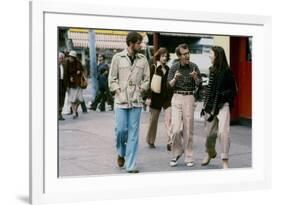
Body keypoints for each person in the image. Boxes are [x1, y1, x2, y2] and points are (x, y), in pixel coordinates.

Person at [108, 32, 150, 173]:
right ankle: (121, 152)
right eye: (139, 43)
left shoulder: (143, 59)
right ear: (131, 43)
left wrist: (141, 90)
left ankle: (131, 165)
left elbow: (147, 79)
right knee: (121, 131)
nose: (141, 45)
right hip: (121, 101)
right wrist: (118, 91)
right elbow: (112, 79)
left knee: (133, 134)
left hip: (136, 101)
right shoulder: (117, 58)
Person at [200, 46, 237, 169]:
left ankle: (225, 159)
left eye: (211, 53)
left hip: (223, 105)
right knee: (210, 134)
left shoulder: (227, 71)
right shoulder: (211, 70)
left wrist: (223, 96)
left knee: (223, 132)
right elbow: (210, 89)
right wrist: (205, 105)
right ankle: (210, 153)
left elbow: (233, 90)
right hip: (211, 106)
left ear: (217, 56)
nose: (209, 55)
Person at [167, 43, 202, 167]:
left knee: (188, 129)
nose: (187, 56)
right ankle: (176, 152)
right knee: (175, 129)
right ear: (179, 56)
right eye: (184, 54)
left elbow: (199, 84)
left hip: (189, 97)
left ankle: (189, 157)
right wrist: (175, 79)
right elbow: (168, 85)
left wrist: (195, 77)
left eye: (188, 53)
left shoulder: (194, 67)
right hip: (176, 97)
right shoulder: (174, 67)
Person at [144, 47, 173, 150]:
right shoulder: (153, 66)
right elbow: (148, 82)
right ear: (158, 56)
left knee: (170, 119)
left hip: (166, 98)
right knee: (153, 120)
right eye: (162, 56)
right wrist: (148, 97)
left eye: (166, 56)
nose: (164, 58)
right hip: (155, 97)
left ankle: (171, 141)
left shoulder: (168, 69)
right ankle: (150, 140)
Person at [65, 50, 84, 119]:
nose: (71, 58)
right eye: (70, 57)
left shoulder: (78, 63)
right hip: (71, 85)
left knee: (80, 99)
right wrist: (69, 79)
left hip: (79, 84)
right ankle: (74, 112)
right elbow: (65, 74)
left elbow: (83, 70)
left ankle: (75, 110)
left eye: (72, 57)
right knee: (72, 99)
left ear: (75, 58)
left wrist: (80, 72)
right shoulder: (67, 63)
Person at [58, 52, 68, 120]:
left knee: (62, 99)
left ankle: (59, 113)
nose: (61, 59)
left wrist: (67, 86)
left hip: (63, 84)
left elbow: (66, 76)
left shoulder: (64, 65)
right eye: (59, 58)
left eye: (62, 58)